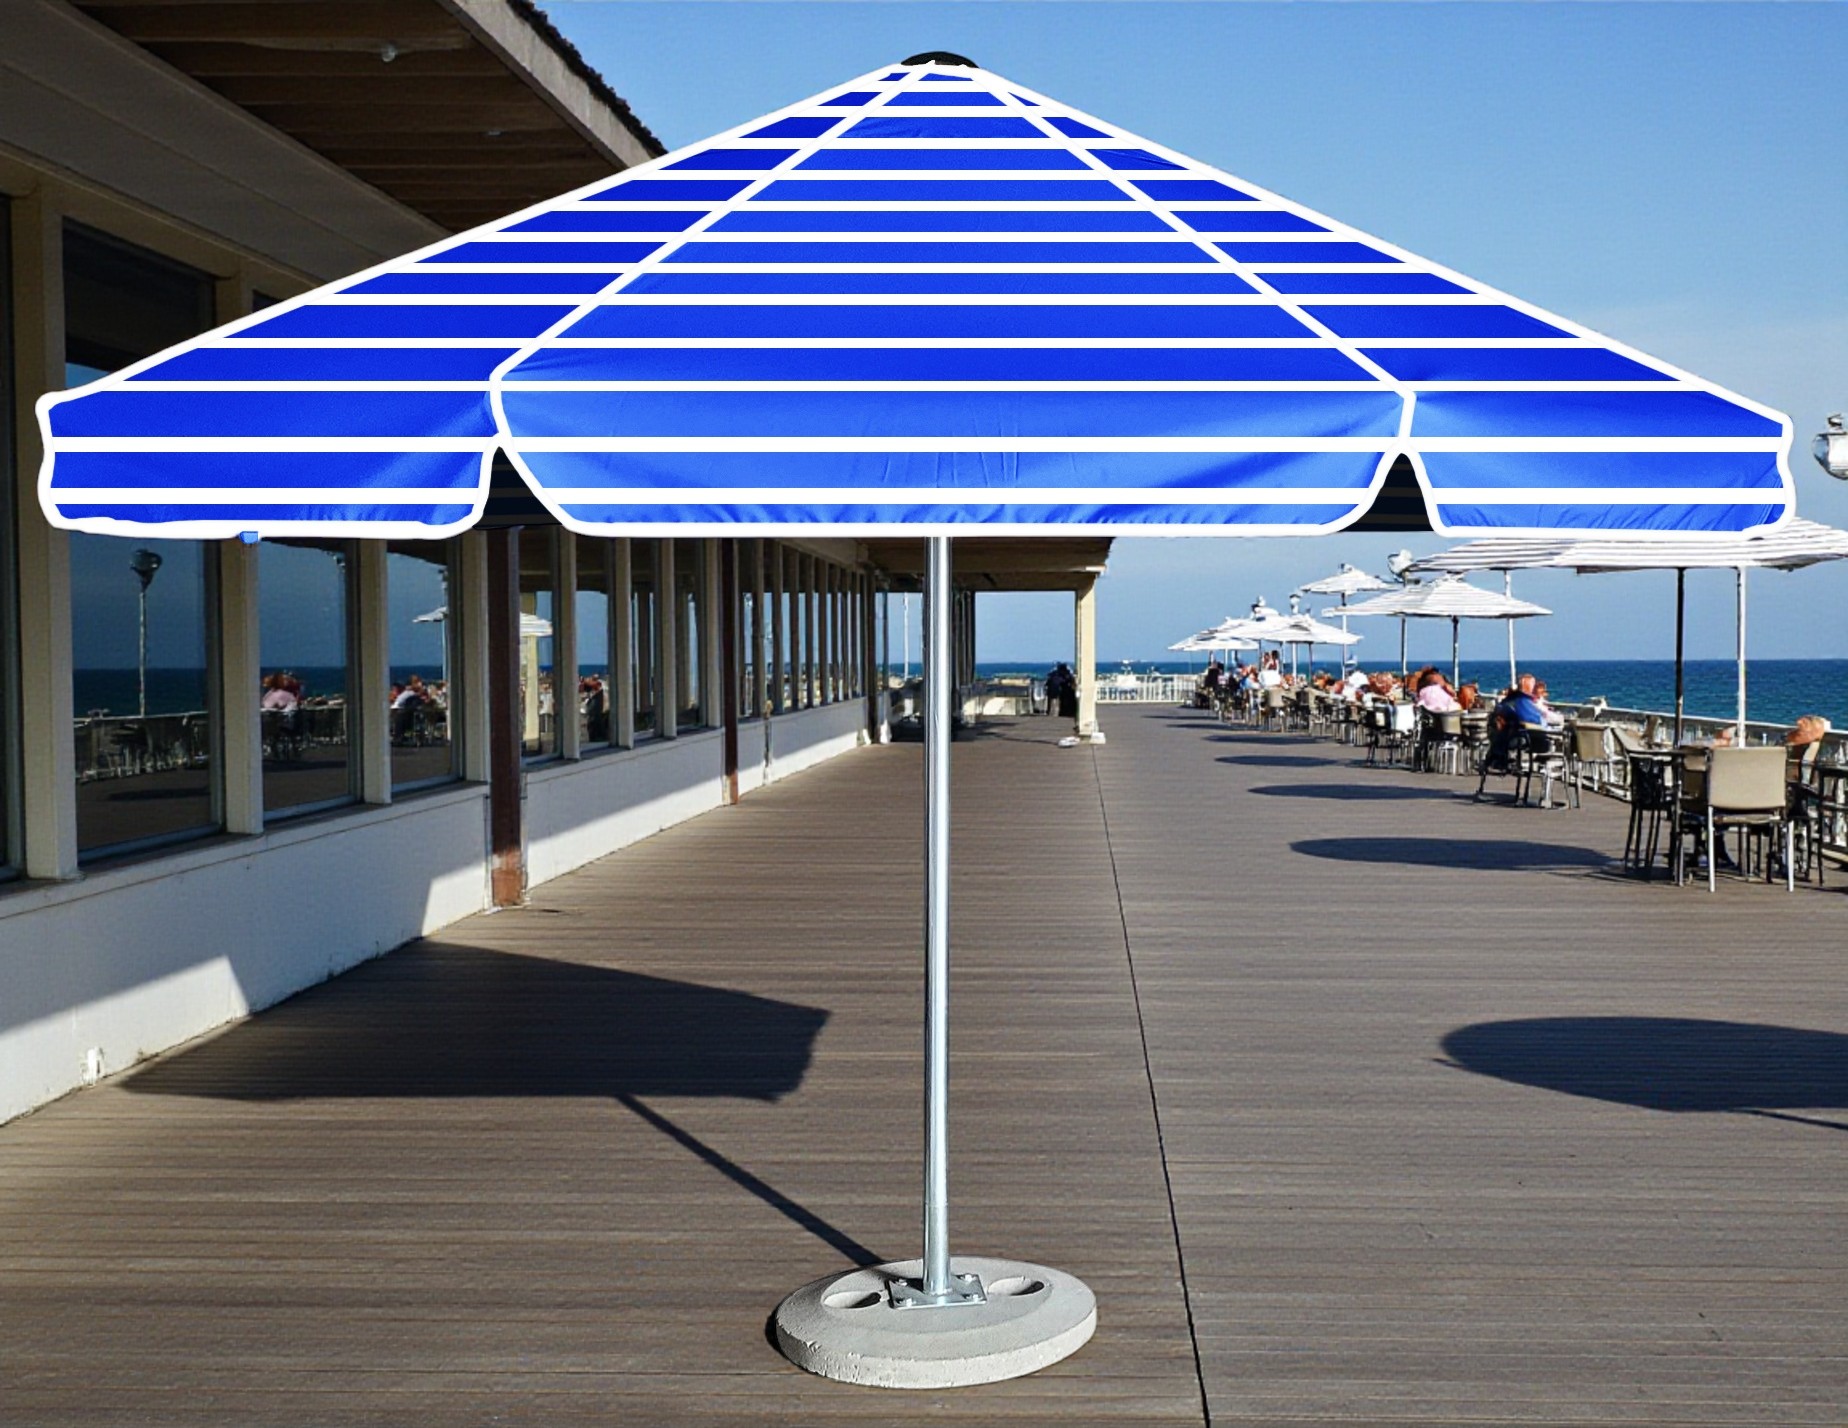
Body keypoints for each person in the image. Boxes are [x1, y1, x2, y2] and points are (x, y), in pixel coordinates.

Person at [1485, 672, 1548, 771]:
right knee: (1546, 739)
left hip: (1503, 739)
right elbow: (1536, 720)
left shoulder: (1510, 701)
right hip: (1519, 738)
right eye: (1533, 686)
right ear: (1528, 687)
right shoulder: (1522, 702)